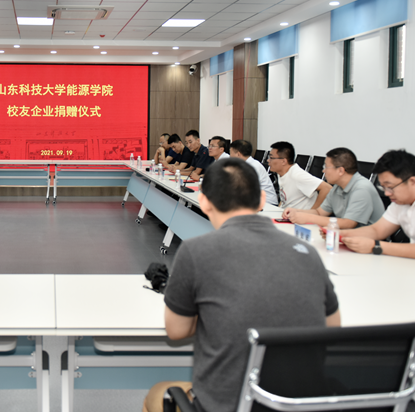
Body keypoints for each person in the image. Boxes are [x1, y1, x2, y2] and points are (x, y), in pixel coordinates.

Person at [143, 158, 340, 412]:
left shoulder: (195, 251)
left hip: (229, 403)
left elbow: (177, 331)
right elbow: (332, 327)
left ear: (204, 202)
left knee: (156, 394)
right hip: (299, 403)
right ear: (261, 200)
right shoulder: (307, 252)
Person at [342, 150, 415, 270]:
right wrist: (339, 234)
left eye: (390, 187)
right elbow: (377, 230)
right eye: (383, 187)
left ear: (413, 182)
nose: (387, 193)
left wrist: (375, 246)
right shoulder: (402, 199)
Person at [282, 147, 385, 228]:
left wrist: (307, 218)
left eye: (326, 167)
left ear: (340, 171)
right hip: (346, 237)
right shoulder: (337, 188)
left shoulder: (361, 189)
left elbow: (348, 223)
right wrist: (296, 212)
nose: (323, 171)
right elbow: (319, 212)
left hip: (370, 242)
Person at [269, 141, 331, 210]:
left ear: (283, 161)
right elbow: (284, 199)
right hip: (285, 212)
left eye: (271, 158)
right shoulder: (282, 173)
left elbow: (327, 188)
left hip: (299, 216)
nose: (268, 160)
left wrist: (313, 212)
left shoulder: (297, 175)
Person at [229, 139, 278, 206]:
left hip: (267, 203)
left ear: (238, 154)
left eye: (230, 153)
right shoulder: (245, 165)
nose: (230, 157)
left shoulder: (253, 166)